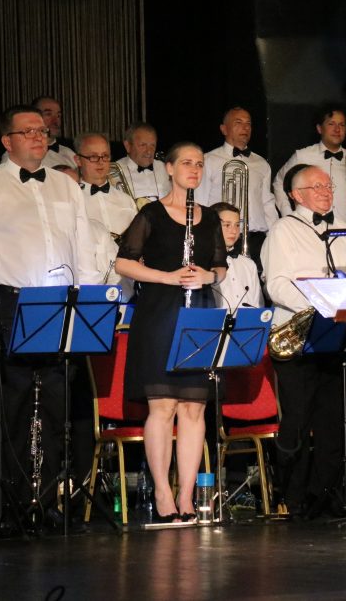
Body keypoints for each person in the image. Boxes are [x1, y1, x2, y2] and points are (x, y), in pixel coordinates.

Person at [0, 105, 99, 526]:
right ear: (7, 140)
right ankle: (10, 506)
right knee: (14, 405)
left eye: (42, 130)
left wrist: (86, 304)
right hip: (9, 300)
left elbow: (83, 247)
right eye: (28, 131)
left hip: (58, 301)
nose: (39, 137)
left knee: (57, 406)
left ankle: (49, 500)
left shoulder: (66, 185)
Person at [114, 142, 227, 522]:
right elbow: (124, 264)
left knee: (194, 408)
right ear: (169, 168)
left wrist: (209, 276)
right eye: (187, 163)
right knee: (162, 407)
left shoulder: (209, 217)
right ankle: (163, 493)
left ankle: (187, 496)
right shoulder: (151, 213)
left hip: (199, 313)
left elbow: (220, 267)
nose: (194, 169)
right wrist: (167, 277)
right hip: (160, 313)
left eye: (199, 164)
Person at [261, 164, 346, 518]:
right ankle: (293, 495)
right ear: (295, 194)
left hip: (334, 336)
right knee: (298, 418)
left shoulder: (344, 231)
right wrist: (317, 304)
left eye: (327, 185)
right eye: (316, 186)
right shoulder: (283, 230)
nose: (325, 191)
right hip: (298, 336)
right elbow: (276, 284)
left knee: (334, 419)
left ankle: (328, 492)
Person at [196, 107, 279, 270]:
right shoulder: (209, 160)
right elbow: (201, 202)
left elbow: (267, 203)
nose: (245, 128)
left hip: (256, 240)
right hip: (222, 238)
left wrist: (275, 236)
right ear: (224, 129)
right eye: (238, 123)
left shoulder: (261, 163)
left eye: (248, 124)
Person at [73, 132, 138, 299]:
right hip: (89, 279)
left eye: (105, 156)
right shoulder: (73, 200)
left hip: (127, 279)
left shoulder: (126, 200)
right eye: (93, 157)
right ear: (78, 160)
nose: (101, 162)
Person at [272, 105, 346, 223]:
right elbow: (278, 183)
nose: (337, 129)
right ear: (319, 129)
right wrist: (289, 214)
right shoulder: (302, 156)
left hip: (344, 230)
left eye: (342, 125)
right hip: (309, 229)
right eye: (331, 124)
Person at [208, 202, 263, 310]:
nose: (234, 231)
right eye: (227, 225)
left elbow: (258, 305)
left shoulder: (249, 264)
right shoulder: (202, 261)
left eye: (237, 225)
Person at [116, 121, 171, 205]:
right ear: (128, 146)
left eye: (152, 145)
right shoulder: (115, 170)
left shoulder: (165, 169)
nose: (149, 151)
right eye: (143, 145)